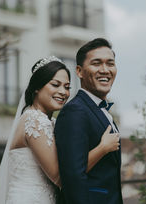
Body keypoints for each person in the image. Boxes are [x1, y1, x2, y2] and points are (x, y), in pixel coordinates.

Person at [0, 55, 119, 204]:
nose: (63, 92)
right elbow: (59, 176)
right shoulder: (34, 120)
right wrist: (102, 148)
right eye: (55, 84)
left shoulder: (51, 122)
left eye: (67, 87)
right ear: (37, 88)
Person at [55, 38, 123, 204]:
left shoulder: (99, 110)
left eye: (110, 63)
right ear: (79, 71)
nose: (105, 70)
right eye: (97, 63)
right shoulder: (75, 111)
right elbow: (73, 177)